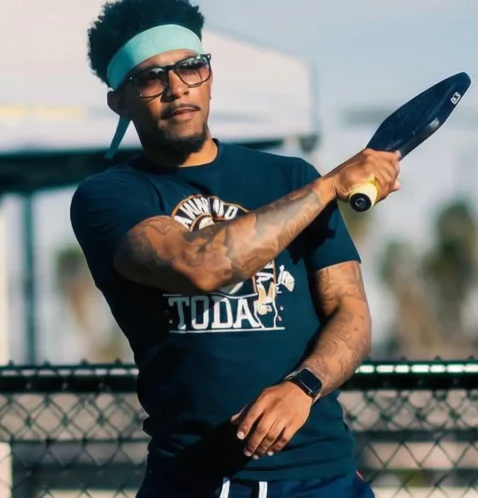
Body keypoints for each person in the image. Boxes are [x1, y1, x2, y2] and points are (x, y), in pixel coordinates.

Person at [70, 0, 402, 496]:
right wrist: (330, 185)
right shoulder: (110, 197)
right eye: (151, 77)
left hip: (322, 476)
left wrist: (303, 387)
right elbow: (201, 264)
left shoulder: (288, 177)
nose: (177, 86)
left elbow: (350, 310)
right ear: (120, 100)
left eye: (190, 67)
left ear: (208, 74)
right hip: (195, 478)